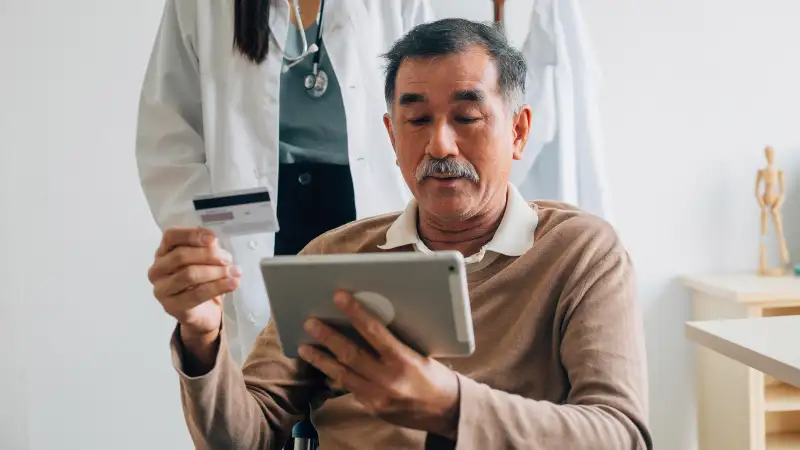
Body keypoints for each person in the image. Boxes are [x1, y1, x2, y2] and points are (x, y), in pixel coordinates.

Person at [147, 18, 653, 449]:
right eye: (416, 119)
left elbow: (619, 434)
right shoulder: (332, 256)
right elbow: (248, 436)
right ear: (391, 136)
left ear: (518, 131)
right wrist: (201, 335)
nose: (440, 143)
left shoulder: (580, 252)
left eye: (467, 116)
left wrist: (450, 406)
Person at [136, 0, 435, 364]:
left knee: (368, 383)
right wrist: (209, 244)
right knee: (270, 388)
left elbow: (432, 96)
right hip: (258, 222)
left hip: (364, 210)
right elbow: (168, 137)